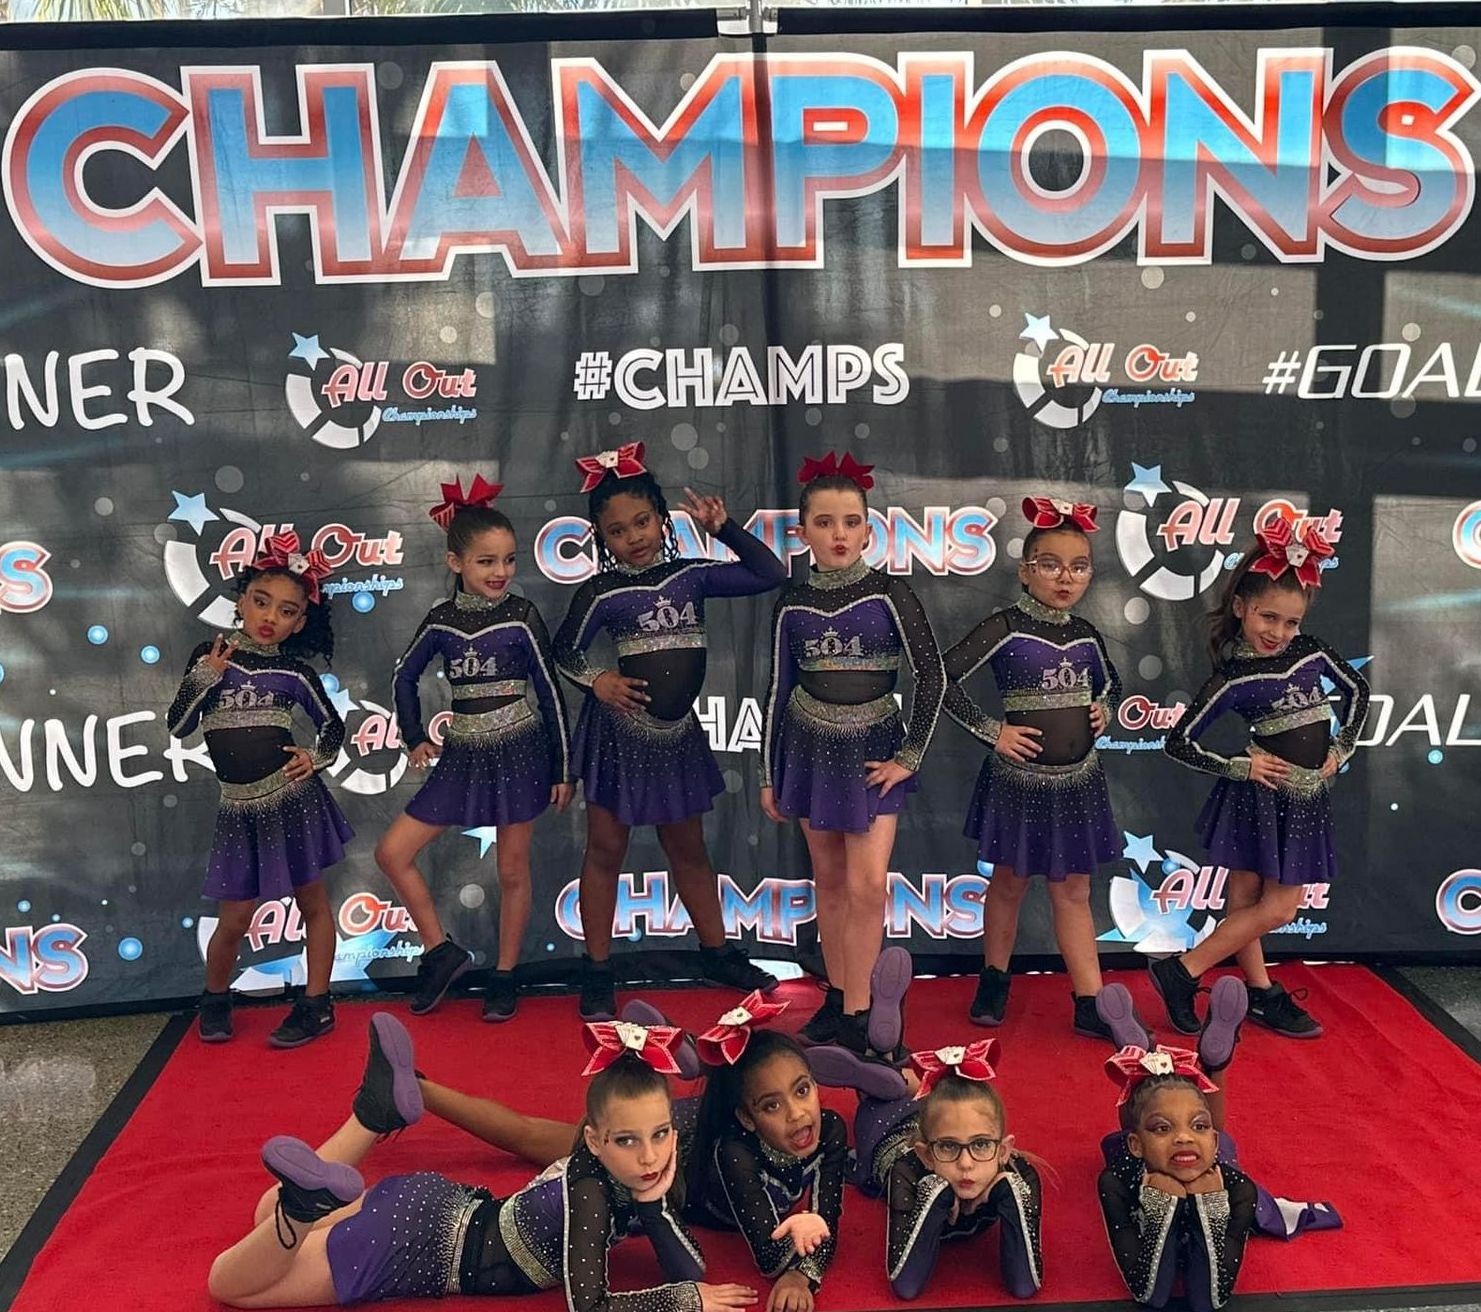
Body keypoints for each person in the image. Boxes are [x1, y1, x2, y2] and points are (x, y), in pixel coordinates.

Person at [206, 1014, 759, 1312]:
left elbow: (688, 1262)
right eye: (628, 1141)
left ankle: (371, 1118)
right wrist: (683, 1303)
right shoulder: (590, 1189)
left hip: (432, 1206)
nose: (649, 1155)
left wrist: (653, 1204)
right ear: (592, 1141)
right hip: (415, 1247)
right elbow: (589, 1305)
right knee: (228, 1284)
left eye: (660, 1135)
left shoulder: (639, 1178)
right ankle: (304, 1207)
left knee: (262, 1216)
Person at [555, 444, 785, 1018]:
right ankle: (598, 969)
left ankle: (716, 953)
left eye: (642, 522)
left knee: (688, 848)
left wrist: (725, 527)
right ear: (600, 539)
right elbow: (563, 651)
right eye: (616, 531)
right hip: (618, 738)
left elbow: (770, 573)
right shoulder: (600, 593)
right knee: (605, 849)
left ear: (662, 519)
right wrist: (598, 679)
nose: (633, 536)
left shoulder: (692, 577)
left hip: (676, 734)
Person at [1155, 519, 1369, 1039]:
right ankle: (1185, 972)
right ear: (1241, 608)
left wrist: (1342, 748)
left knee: (1259, 906)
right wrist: (1239, 765)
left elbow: (1358, 691)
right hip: (1257, 794)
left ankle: (1251, 991)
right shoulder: (1232, 678)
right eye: (1268, 617)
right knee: (1265, 905)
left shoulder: (1312, 653)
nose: (1278, 632)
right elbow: (1177, 740)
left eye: (1290, 622)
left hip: (1302, 798)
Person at [761, 453, 944, 1056]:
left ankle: (865, 1012)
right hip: (810, 749)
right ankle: (839, 1000)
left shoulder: (890, 593)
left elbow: (932, 678)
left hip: (874, 750)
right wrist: (770, 774)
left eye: (849, 522)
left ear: (869, 530)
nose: (838, 534)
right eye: (824, 522)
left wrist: (910, 757)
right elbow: (777, 689)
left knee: (868, 886)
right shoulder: (792, 601)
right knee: (831, 882)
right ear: (803, 531)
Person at [376, 476, 572, 1021]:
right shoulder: (441, 620)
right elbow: (404, 677)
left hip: (519, 752)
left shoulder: (523, 614)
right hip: (461, 757)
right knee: (392, 853)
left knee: (512, 870)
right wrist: (414, 736)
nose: (501, 572)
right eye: (486, 561)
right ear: (456, 562)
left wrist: (561, 766)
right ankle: (441, 952)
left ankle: (505, 975)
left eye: (508, 560)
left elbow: (550, 690)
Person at [942, 496, 1129, 1040]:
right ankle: (995, 977)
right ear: (1026, 571)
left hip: (1079, 782)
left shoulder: (1088, 635)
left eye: (1078, 566)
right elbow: (940, 678)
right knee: (1009, 882)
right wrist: (990, 730)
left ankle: (1089, 999)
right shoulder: (1004, 627)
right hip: (1019, 781)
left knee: (1072, 890)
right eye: (1050, 564)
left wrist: (1106, 708)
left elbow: (1111, 682)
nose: (1065, 577)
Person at [167, 531, 351, 1048]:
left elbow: (333, 728)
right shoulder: (210, 655)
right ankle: (215, 997)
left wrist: (315, 758)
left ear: (301, 621)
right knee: (236, 918)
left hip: (291, 803)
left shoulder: (294, 672)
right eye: (262, 601)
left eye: (288, 611)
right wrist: (205, 677)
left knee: (313, 902)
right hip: (238, 810)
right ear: (240, 600)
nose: (271, 617)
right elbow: (178, 725)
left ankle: (316, 1004)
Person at [1099, 978, 1341, 1311]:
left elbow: (1209, 1299)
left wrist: (1208, 1204)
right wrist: (1161, 1205)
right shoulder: (1116, 1181)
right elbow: (1150, 1293)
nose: (1183, 1136)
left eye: (1198, 1127)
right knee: (1129, 1141)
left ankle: (1212, 1065)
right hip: (1143, 1167)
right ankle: (1147, 1067)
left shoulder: (1237, 1187)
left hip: (1212, 1166)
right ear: (1138, 1145)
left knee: (1201, 1135)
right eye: (1163, 1129)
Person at [815, 1037, 1042, 1301]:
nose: (966, 1163)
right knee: (876, 1103)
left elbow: (1024, 1285)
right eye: (948, 1148)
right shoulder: (907, 1170)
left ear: (1003, 1150)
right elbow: (906, 1286)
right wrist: (937, 1194)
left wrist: (1008, 1193)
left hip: (937, 1123)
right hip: (885, 1129)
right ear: (926, 1156)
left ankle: (897, 1074)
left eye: (980, 1144)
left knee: (940, 1111)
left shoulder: (1020, 1173)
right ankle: (884, 1074)